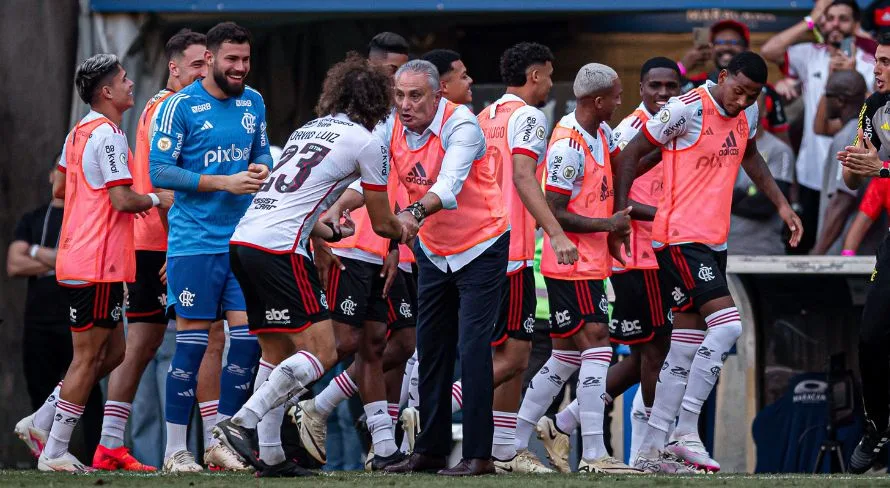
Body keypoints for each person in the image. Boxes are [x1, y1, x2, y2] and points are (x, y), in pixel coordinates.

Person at [211, 53, 411, 477]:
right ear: (378, 101)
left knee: (276, 352)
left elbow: (292, 197)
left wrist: (325, 230)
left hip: (246, 241)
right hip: (281, 250)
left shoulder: (309, 128)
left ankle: (272, 456)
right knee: (322, 351)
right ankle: (239, 425)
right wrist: (406, 227)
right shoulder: (367, 140)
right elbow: (381, 220)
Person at [612, 52, 801, 472]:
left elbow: (751, 157)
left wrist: (783, 206)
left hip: (713, 240)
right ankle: (686, 431)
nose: (742, 102)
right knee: (729, 325)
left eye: (752, 96)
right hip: (678, 236)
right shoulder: (684, 109)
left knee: (684, 348)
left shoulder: (746, 114)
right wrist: (620, 215)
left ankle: (650, 451)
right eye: (738, 91)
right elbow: (630, 154)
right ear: (722, 77)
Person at [20, 54, 173, 472]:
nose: (130, 85)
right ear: (106, 91)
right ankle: (54, 451)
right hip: (97, 262)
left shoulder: (79, 131)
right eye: (124, 80)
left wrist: (90, 207)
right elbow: (123, 199)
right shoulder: (107, 135)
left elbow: (58, 187)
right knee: (87, 358)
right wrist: (158, 198)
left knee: (115, 352)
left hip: (85, 258)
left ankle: (43, 419)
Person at [365, 59, 506, 477]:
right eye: (400, 96)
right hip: (434, 247)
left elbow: (448, 186)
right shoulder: (389, 126)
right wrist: (333, 208)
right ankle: (430, 449)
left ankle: (479, 455)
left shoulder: (461, 123)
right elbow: (366, 180)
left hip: (482, 244)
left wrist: (409, 216)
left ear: (438, 94)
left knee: (473, 347)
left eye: (416, 96)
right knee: (430, 348)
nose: (405, 105)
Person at [148, 21, 271, 473]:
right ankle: (175, 449)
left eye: (245, 59)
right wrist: (225, 182)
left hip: (240, 243)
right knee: (193, 344)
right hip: (194, 243)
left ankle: (220, 440)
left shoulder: (253, 101)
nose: (240, 68)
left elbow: (263, 153)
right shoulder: (179, 106)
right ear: (211, 60)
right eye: (231, 60)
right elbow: (160, 171)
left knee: (247, 340)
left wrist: (259, 169)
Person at [86, 29, 207, 473]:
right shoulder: (167, 108)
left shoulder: (178, 107)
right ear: (174, 68)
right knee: (145, 345)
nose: (204, 72)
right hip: (157, 243)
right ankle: (100, 437)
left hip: (157, 240)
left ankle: (110, 443)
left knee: (144, 344)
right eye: (197, 65)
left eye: (207, 65)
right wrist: (177, 248)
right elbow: (161, 183)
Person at [470, 41, 578, 474]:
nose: (550, 85)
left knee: (506, 359)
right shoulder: (529, 117)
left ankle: (503, 451)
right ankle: (439, 401)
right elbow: (522, 176)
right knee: (515, 359)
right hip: (511, 252)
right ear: (535, 75)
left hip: (479, 249)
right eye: (549, 76)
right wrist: (555, 231)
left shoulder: (484, 117)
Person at [761, 0, 876, 254]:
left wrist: (853, 77)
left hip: (851, 172)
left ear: (856, 24)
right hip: (810, 174)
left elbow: (876, 113)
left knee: (838, 246)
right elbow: (769, 51)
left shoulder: (871, 62)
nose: (835, 24)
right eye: (830, 17)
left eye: (843, 18)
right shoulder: (809, 53)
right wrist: (811, 18)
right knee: (802, 246)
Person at [9, 168, 104, 462]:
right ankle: (45, 456)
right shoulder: (33, 218)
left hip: (74, 314)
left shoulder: (83, 217)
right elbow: (14, 264)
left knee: (90, 389)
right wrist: (59, 261)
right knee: (39, 388)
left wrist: (37, 253)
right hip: (39, 321)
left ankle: (95, 456)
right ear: (52, 176)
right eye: (61, 173)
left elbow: (80, 259)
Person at [834, 33, 890, 473]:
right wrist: (854, 165)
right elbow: (858, 177)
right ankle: (877, 428)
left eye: (887, 62)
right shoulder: (874, 107)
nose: (878, 69)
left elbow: (882, 168)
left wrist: (882, 168)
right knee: (871, 336)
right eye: (878, 61)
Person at [680, 19, 790, 145]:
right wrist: (683, 66)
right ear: (711, 49)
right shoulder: (696, 85)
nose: (726, 47)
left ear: (746, 48)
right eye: (719, 42)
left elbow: (782, 143)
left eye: (734, 42)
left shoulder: (765, 91)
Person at [729, 87, 795, 255]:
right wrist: (743, 194)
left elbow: (767, 203)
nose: (745, 106)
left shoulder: (778, 150)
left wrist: (726, 199)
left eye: (753, 101)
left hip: (762, 251)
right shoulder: (719, 147)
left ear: (765, 110)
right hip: (722, 250)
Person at [812, 71, 869, 255]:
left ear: (840, 101)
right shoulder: (862, 130)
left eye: (826, 94)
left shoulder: (849, 136)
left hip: (842, 257)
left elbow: (842, 201)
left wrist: (817, 255)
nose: (823, 101)